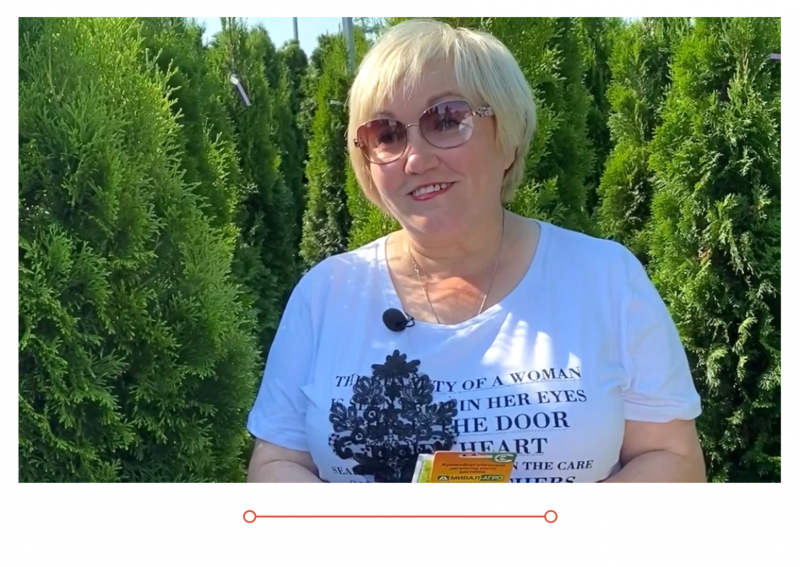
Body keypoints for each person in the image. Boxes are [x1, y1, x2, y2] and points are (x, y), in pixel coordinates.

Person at [246, 19, 706, 483]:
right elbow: (277, 462)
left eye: (447, 120)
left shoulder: (604, 278)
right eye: (386, 134)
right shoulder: (326, 294)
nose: (415, 159)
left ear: (507, 137)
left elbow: (671, 458)